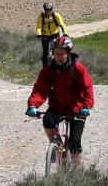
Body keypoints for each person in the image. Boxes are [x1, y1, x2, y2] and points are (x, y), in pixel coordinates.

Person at [25, 36, 94, 169]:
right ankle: (56, 145)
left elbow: (87, 89)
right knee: (47, 120)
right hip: (57, 107)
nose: (58, 56)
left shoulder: (78, 69)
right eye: (56, 53)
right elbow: (40, 90)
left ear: (68, 53)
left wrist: (86, 106)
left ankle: (77, 174)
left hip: (77, 109)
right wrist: (32, 105)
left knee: (74, 142)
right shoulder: (48, 70)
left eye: (62, 54)